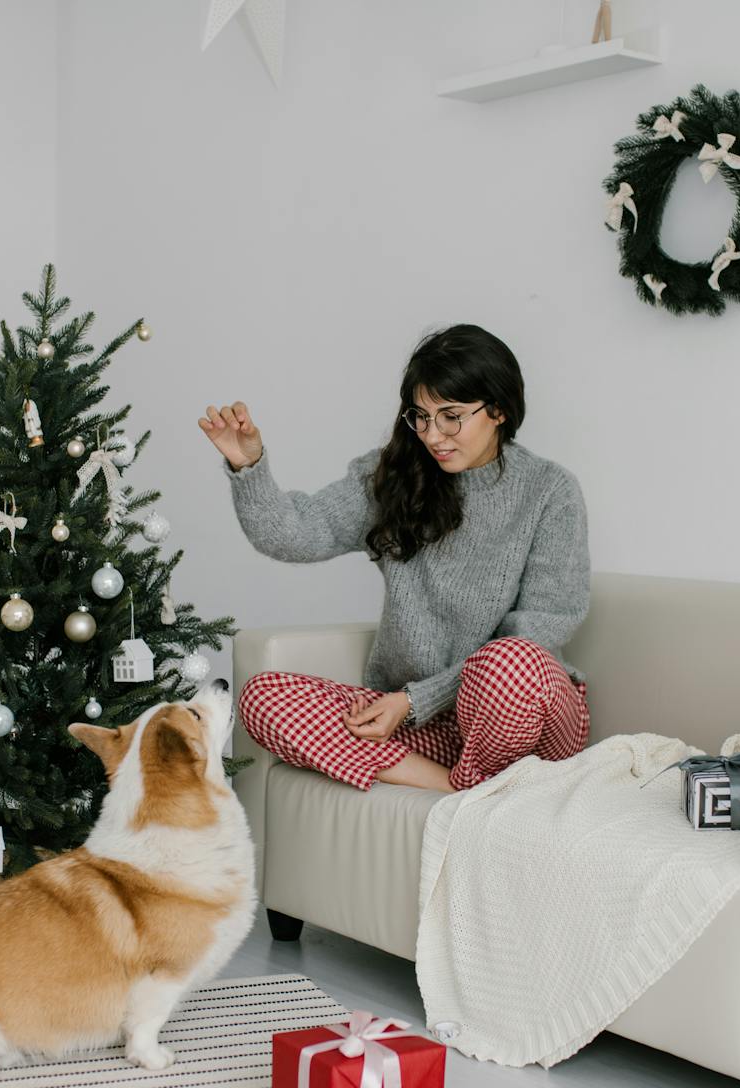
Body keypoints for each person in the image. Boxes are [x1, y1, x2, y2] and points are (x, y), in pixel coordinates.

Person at [199, 324, 591, 794]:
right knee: (263, 698)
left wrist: (414, 700)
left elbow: (542, 628)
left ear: (499, 410)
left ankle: (481, 783)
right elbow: (296, 534)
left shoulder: (549, 490)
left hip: (525, 717)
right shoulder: (393, 476)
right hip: (430, 731)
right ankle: (464, 790)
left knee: (508, 662)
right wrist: (249, 467)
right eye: (421, 417)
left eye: (451, 416)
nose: (433, 435)